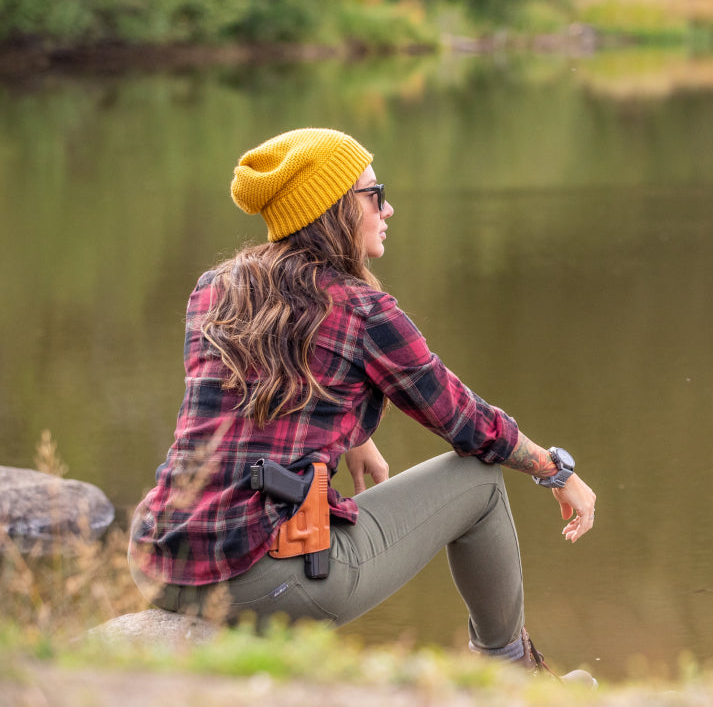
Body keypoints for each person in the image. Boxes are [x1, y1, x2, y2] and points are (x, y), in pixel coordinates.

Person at [128, 128, 597, 680]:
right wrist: (555, 470)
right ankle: (512, 681)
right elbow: (466, 422)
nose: (388, 208)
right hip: (257, 581)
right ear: (334, 210)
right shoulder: (362, 310)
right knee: (480, 483)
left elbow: (249, 404)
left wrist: (356, 437)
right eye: (375, 194)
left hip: (160, 560)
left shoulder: (215, 288)